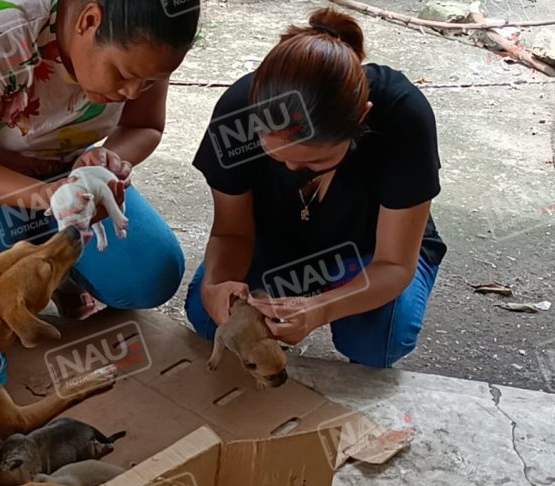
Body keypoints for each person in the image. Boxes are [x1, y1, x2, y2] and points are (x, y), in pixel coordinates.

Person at [0, 0, 200, 322]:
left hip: (64, 166)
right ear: (89, 20)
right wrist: (52, 197)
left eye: (149, 82)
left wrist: (104, 162)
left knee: (150, 275)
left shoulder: (150, 42)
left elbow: (144, 126)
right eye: (123, 75)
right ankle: (52, 256)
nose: (132, 93)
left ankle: (63, 274)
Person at [186, 8, 447, 368]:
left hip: (368, 252)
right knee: (207, 316)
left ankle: (339, 311)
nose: (292, 169)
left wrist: (317, 309)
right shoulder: (238, 114)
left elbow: (394, 263)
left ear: (361, 120)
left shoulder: (403, 117)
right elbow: (231, 233)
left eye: (314, 162)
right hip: (276, 242)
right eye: (275, 156)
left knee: (377, 340)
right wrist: (217, 285)